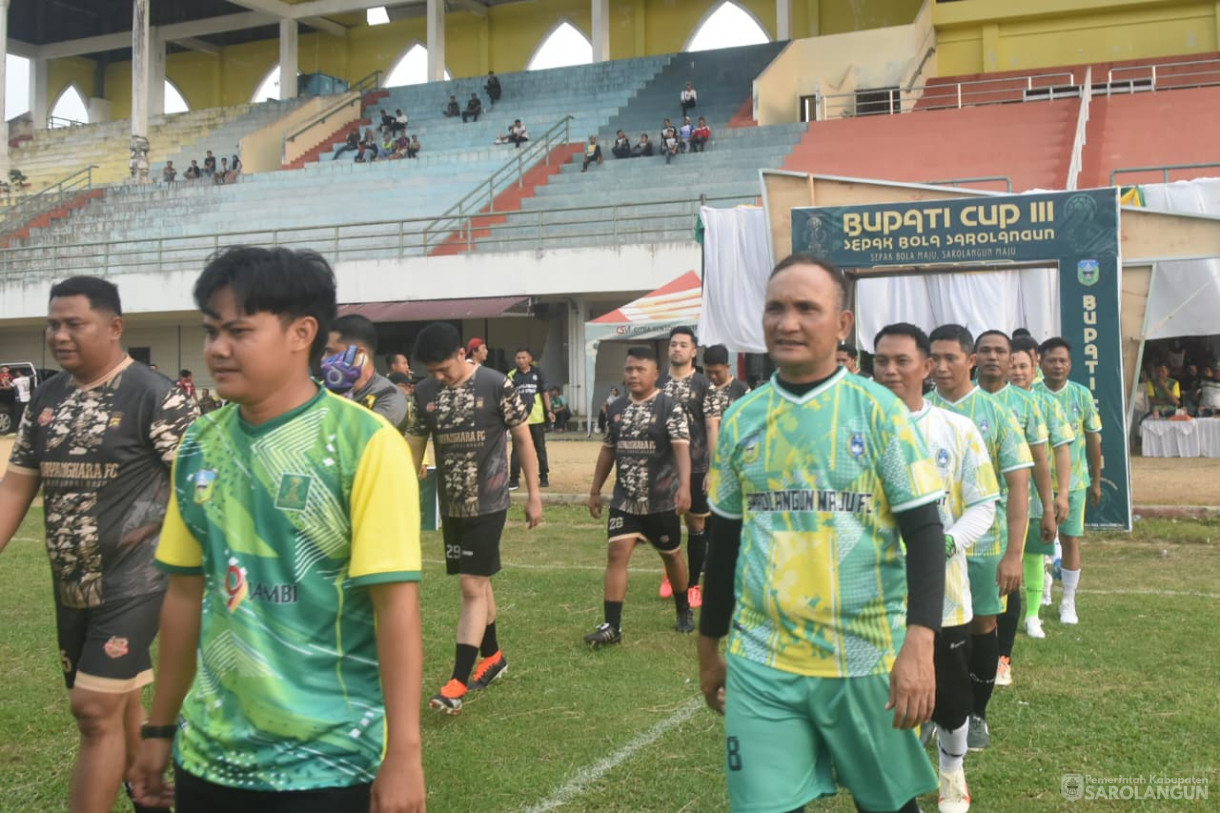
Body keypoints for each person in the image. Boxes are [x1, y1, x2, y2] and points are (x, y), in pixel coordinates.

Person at [128, 247, 425, 811]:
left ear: (302, 333)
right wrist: (160, 729)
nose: (216, 349)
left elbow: (395, 607)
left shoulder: (364, 443)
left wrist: (404, 754)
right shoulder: (198, 444)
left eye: (238, 331)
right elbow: (186, 594)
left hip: (329, 763)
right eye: (211, 331)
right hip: (209, 757)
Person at [698, 254, 946, 813]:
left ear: (842, 325)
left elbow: (926, 534)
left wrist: (919, 643)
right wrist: (709, 646)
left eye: (807, 308)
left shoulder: (881, 413)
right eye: (775, 308)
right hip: (763, 660)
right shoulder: (741, 419)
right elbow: (726, 542)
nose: (787, 323)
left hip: (862, 659)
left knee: (888, 807)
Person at [0, 276, 197, 813]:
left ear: (114, 328)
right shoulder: (46, 397)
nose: (59, 335)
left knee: (92, 709)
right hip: (72, 584)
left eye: (74, 324)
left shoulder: (156, 398)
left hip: (137, 581)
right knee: (118, 703)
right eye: (53, 324)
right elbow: (18, 482)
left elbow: (201, 489)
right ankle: (151, 797)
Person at [873, 322, 999, 813]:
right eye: (881, 361)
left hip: (942, 593)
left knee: (948, 699)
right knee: (882, 697)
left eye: (901, 361)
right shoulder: (854, 431)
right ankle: (896, 784)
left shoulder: (956, 430)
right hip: (873, 594)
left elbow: (983, 506)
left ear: (925, 368)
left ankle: (951, 772)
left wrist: (941, 546)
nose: (889, 370)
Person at [406, 322, 543, 715]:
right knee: (478, 582)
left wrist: (534, 495)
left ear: (462, 354)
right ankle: (494, 656)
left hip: (490, 501)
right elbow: (412, 448)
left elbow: (523, 440)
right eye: (430, 371)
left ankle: (457, 682)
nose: (438, 377)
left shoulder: (497, 384)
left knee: (470, 585)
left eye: (443, 369)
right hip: (451, 505)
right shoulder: (425, 392)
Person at [928, 324, 1032, 752]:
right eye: (933, 358)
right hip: (932, 547)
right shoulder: (917, 411)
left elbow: (1019, 485)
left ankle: (976, 714)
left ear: (970, 361)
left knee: (982, 624)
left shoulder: (995, 414)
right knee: (933, 628)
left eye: (950, 358)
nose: (940, 366)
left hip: (985, 544)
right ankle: (940, 711)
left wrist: (1014, 555)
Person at [586, 347, 693, 644]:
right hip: (625, 501)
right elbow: (608, 450)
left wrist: (684, 487)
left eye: (640, 369)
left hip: (660, 501)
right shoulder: (616, 408)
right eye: (629, 369)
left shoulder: (669, 407)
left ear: (655, 374)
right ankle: (613, 626)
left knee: (671, 557)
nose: (633, 374)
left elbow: (682, 448)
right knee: (617, 554)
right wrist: (595, 490)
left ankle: (683, 608)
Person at [974, 330, 1058, 688]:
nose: (993, 357)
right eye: (985, 351)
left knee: (1006, 584)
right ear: (973, 357)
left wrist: (1051, 507)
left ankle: (1002, 658)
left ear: (1012, 360)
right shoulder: (951, 402)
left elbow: (1040, 460)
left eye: (1001, 352)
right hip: (963, 514)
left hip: (1011, 512)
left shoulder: (1026, 404)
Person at [1035, 337, 1102, 627]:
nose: (1058, 366)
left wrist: (1096, 481)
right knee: (1038, 543)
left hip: (1074, 484)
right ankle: (1040, 594)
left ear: (1070, 364)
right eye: (1052, 360)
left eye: (1063, 361)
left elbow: (1094, 439)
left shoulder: (1082, 395)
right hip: (1037, 485)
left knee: (1071, 541)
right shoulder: (1031, 396)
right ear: (1041, 362)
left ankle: (1068, 602)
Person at [1010, 336, 1073, 638]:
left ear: (1034, 366)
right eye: (1013, 365)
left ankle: (1033, 615)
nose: (1018, 371)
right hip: (1001, 493)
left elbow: (1061, 448)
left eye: (1023, 365)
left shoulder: (1046, 403)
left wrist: (1061, 494)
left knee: (1035, 554)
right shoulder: (990, 398)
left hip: (1037, 493)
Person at [658, 327, 726, 608]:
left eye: (683, 345)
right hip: (663, 467)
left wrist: (713, 467)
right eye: (673, 344)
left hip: (696, 466)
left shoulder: (704, 385)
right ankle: (671, 572)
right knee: (663, 521)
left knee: (696, 523)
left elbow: (712, 427)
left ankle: (693, 584)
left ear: (693, 351)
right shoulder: (657, 382)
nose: (677, 349)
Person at [323, 313, 411, 434]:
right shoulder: (322, 392)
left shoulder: (389, 396)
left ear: (359, 354)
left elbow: (359, 438)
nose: (324, 359)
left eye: (331, 352)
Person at [507, 347, 552, 489]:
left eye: (523, 357)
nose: (521, 360)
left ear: (530, 359)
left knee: (540, 448)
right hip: (519, 420)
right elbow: (508, 397)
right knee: (517, 449)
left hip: (537, 418)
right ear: (515, 360)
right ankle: (514, 479)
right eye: (518, 358)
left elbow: (544, 393)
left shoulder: (538, 373)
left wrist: (549, 411)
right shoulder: (512, 375)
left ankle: (544, 477)